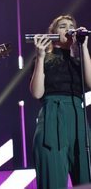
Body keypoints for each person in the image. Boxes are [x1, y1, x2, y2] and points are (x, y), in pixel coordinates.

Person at [30, 14, 91, 189]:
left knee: (86, 177)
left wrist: (83, 47)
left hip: (77, 117)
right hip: (52, 116)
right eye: (63, 26)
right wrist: (40, 56)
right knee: (53, 180)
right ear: (54, 33)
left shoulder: (79, 60)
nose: (68, 29)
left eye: (71, 26)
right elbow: (36, 93)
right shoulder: (44, 59)